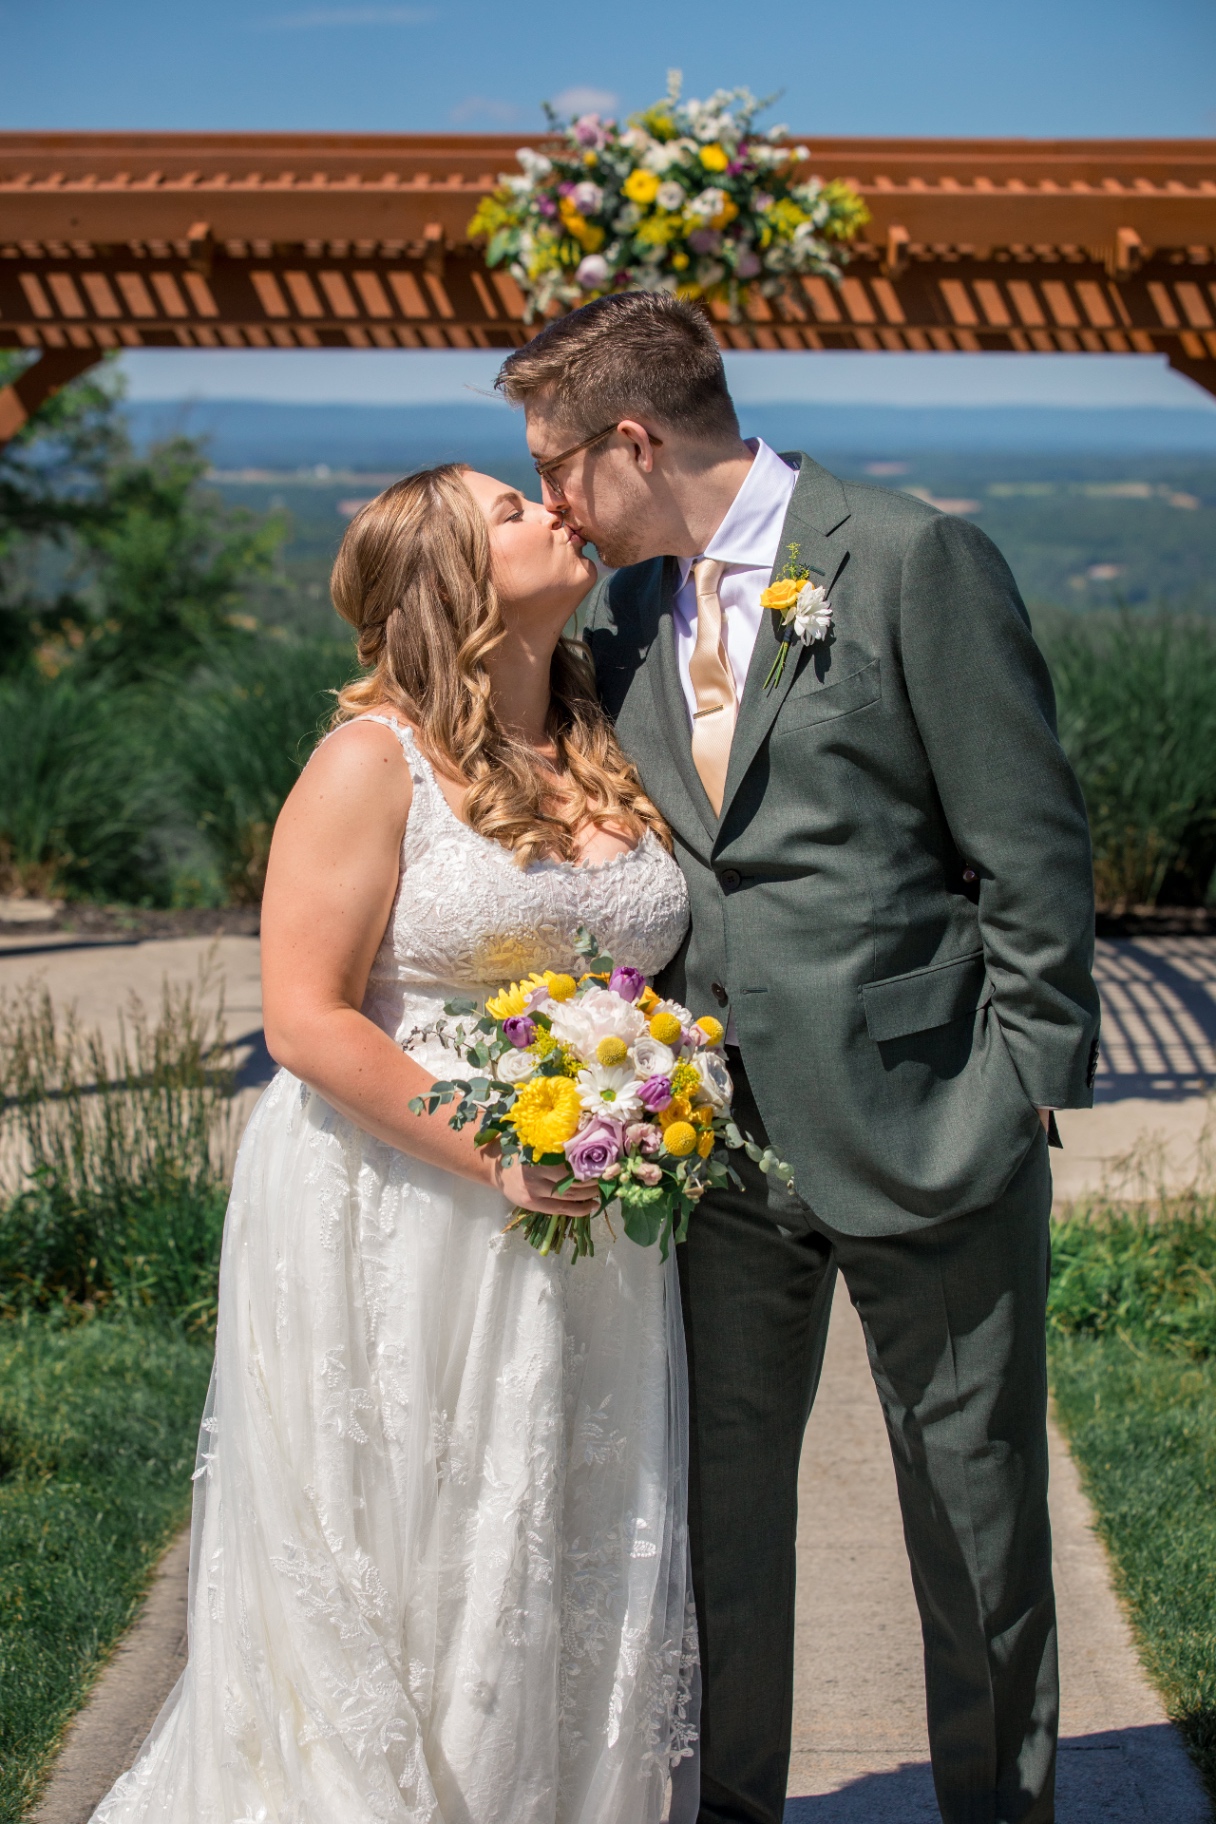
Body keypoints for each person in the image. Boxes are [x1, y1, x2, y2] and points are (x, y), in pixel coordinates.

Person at [496, 291, 1102, 1824]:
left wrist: (1022, 1079)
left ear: (635, 441)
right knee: (718, 1530)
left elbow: (1030, 848)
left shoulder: (909, 561)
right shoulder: (621, 611)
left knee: (976, 1530)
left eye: (559, 467)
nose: (554, 502)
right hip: (713, 1155)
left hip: (930, 1123)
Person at [91, 464, 697, 1824]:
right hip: (406, 1198)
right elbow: (305, 1020)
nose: (554, 507)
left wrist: (654, 1097)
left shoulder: (602, 730)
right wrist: (494, 1152)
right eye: (510, 510)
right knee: (423, 1538)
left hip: (588, 1220)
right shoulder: (372, 760)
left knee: (563, 1530)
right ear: (450, 580)